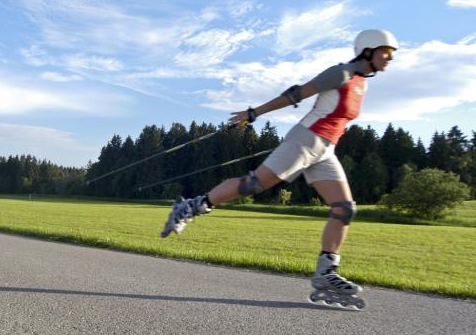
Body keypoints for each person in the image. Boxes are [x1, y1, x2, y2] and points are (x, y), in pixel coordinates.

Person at [160, 29, 398, 302]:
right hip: (306, 140)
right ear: (368, 50)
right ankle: (191, 206)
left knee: (344, 209)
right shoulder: (341, 73)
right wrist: (253, 113)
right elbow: (297, 94)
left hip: (325, 150)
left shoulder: (361, 83)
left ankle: (326, 272)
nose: (389, 59)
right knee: (253, 184)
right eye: (386, 52)